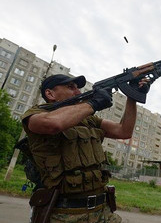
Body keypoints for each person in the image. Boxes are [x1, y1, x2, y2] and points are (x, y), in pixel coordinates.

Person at [21, 74, 148, 223]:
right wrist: (93, 104)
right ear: (50, 94)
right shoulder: (35, 115)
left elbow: (123, 131)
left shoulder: (88, 119)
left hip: (103, 210)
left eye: (78, 88)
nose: (78, 92)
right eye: (71, 87)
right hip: (66, 214)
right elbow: (53, 124)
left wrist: (132, 95)